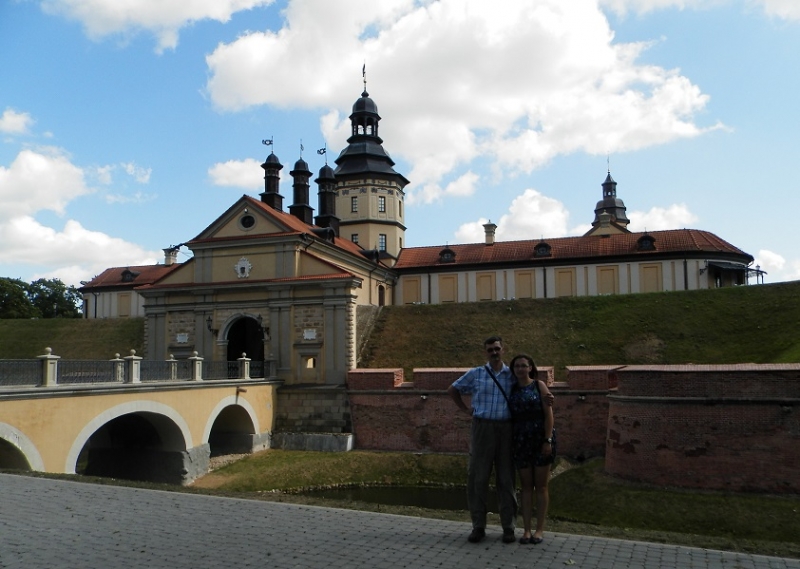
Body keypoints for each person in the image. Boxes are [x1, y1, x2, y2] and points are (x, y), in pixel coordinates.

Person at [448, 335, 518, 544]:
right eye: (490, 350)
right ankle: (478, 526)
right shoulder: (477, 373)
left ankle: (509, 527)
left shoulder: (511, 375)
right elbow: (453, 389)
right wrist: (466, 410)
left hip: (506, 429)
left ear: (503, 350)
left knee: (506, 479)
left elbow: (531, 385)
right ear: (485, 352)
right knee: (478, 478)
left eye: (497, 348)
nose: (494, 352)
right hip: (482, 427)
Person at [508, 354, 555, 545]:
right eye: (517, 366)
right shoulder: (511, 389)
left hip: (540, 439)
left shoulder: (539, 386)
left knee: (541, 487)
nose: (520, 369)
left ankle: (539, 529)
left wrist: (548, 440)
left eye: (523, 366)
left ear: (530, 368)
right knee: (526, 487)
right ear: (513, 370)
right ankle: (526, 530)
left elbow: (548, 415)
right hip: (521, 440)